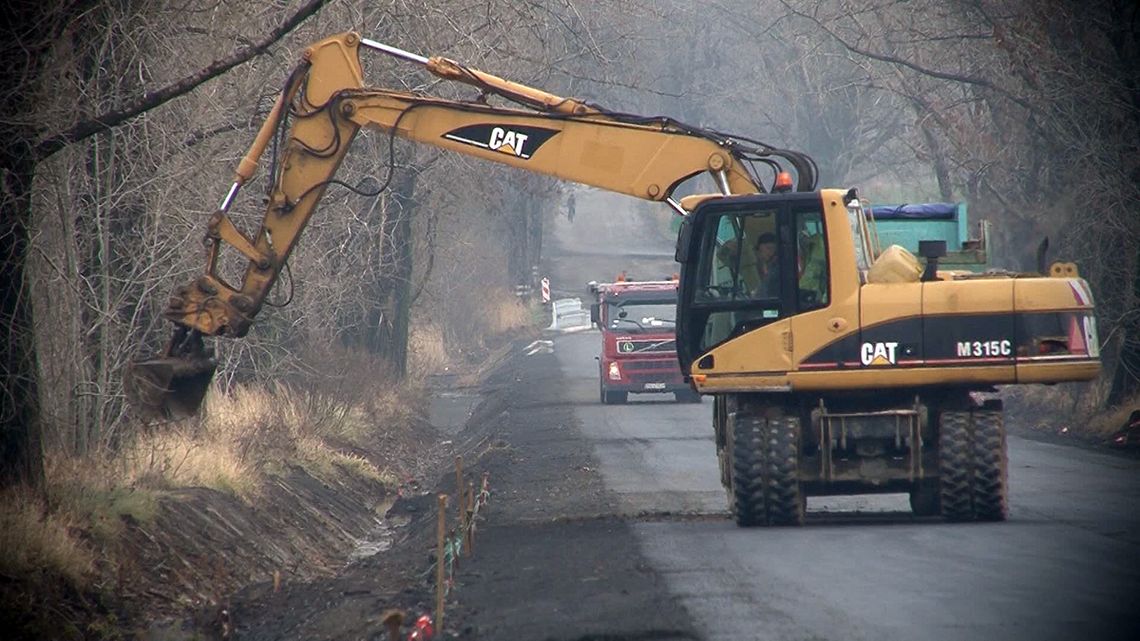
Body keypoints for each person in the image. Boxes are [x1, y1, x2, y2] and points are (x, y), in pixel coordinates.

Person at [753, 232, 779, 297]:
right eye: (768, 248)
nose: (769, 252)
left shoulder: (776, 270)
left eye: (770, 248)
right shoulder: (759, 267)